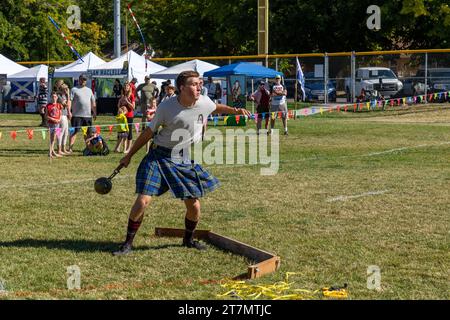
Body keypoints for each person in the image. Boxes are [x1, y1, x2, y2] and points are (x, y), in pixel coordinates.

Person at [112, 70, 251, 256]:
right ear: (182, 88)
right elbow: (148, 132)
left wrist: (235, 110)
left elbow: (216, 107)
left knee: (194, 205)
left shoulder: (203, 101)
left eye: (199, 83)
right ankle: (127, 243)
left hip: (182, 157)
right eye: (194, 84)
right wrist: (129, 155)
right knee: (143, 200)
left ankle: (188, 240)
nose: (199, 86)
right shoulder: (167, 107)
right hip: (158, 155)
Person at [69, 74, 97, 152]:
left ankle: (88, 148)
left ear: (86, 81)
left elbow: (93, 102)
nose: (83, 81)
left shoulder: (89, 90)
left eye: (84, 80)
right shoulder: (74, 89)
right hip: (76, 115)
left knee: (88, 133)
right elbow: (70, 101)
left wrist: (94, 112)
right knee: (74, 132)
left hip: (87, 116)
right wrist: (69, 111)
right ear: (79, 79)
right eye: (81, 79)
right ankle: (70, 148)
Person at [117, 81, 135, 153]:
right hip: (122, 116)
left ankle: (128, 148)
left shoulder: (132, 96)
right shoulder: (122, 95)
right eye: (124, 87)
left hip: (129, 116)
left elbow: (133, 107)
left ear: (129, 87)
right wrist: (119, 106)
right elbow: (119, 106)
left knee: (129, 132)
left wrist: (127, 101)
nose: (126, 88)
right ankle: (119, 148)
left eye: (127, 86)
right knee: (121, 131)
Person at [46, 92, 62, 159]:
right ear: (50, 97)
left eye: (55, 97)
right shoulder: (48, 106)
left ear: (57, 97)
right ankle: (50, 152)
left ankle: (52, 152)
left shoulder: (59, 105)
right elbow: (46, 116)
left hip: (57, 124)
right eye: (52, 97)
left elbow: (60, 114)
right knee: (52, 138)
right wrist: (53, 119)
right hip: (51, 124)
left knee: (55, 138)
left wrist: (59, 120)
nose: (54, 98)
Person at [57, 83, 72, 155]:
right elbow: (66, 104)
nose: (66, 91)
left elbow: (68, 105)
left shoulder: (64, 95)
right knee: (60, 132)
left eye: (67, 89)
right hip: (60, 115)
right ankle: (59, 149)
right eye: (65, 89)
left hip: (65, 115)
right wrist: (68, 95)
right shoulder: (58, 96)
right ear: (62, 89)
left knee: (66, 133)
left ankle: (63, 148)